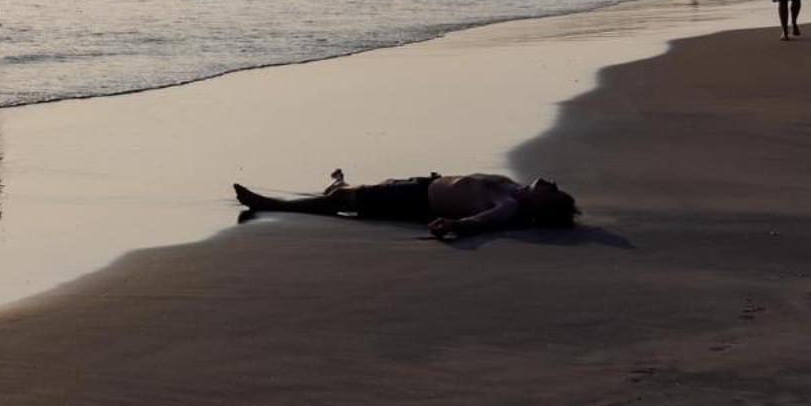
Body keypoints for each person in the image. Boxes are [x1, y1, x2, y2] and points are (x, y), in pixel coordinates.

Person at [233, 169, 578, 238]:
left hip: (417, 200)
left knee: (341, 203)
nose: (552, 182)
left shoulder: (509, 206)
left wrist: (454, 226)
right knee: (361, 192)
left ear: (541, 206)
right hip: (423, 184)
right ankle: (339, 182)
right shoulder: (515, 189)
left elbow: (483, 221)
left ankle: (270, 204)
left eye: (553, 191)